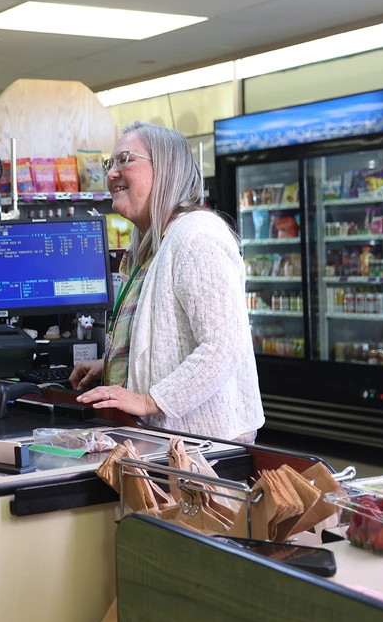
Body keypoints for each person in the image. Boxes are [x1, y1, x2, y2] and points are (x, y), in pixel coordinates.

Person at [69, 121, 264, 443]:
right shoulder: (153, 244)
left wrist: (149, 401)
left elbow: (223, 347)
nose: (112, 174)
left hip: (203, 445)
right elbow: (165, 338)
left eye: (125, 159)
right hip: (170, 440)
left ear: (166, 169)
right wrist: (116, 364)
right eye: (110, 163)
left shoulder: (196, 236)